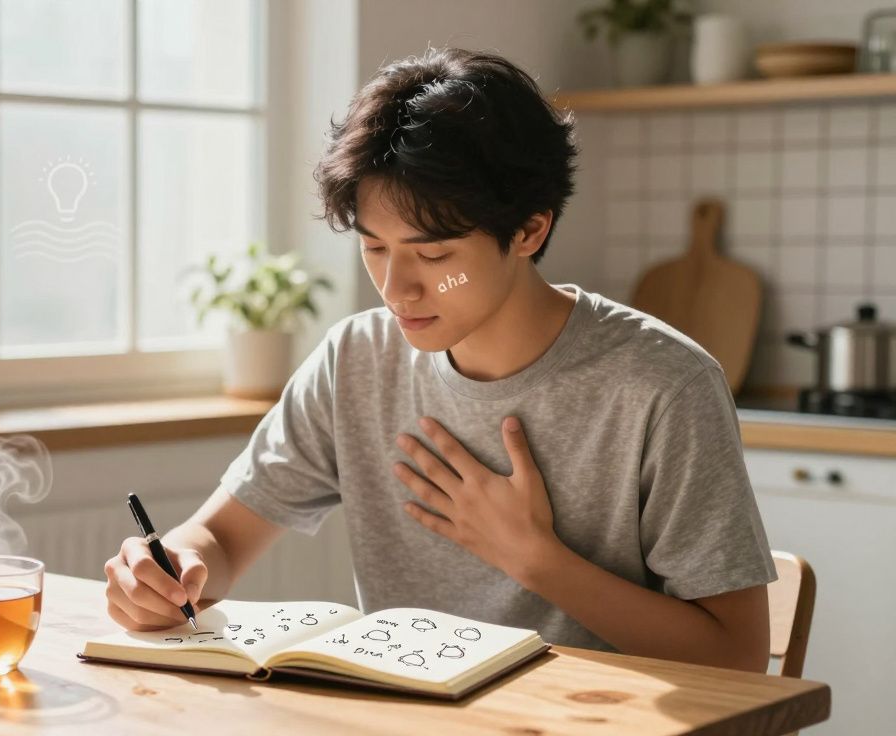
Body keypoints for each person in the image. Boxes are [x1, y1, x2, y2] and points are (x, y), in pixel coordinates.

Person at [103, 47, 776, 672]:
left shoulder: (663, 385)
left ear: (529, 229)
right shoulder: (356, 360)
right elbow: (219, 540)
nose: (397, 289)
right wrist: (169, 571)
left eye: (434, 256)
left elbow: (739, 657)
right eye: (374, 248)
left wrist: (535, 560)